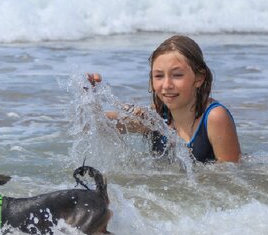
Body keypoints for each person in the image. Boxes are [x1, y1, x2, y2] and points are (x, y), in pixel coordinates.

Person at [86, 34, 240, 163]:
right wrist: (91, 98)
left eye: (177, 75)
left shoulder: (215, 118)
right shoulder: (155, 117)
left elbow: (230, 180)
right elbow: (97, 125)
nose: (166, 85)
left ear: (199, 78)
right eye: (159, 76)